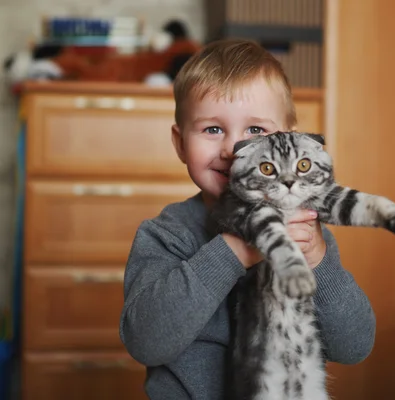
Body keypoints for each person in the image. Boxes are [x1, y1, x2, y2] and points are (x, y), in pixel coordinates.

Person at [119, 38, 376, 399]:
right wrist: (235, 250)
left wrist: (318, 262)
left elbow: (354, 347)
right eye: (213, 129)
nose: (233, 150)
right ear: (180, 144)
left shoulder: (305, 235)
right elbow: (145, 341)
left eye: (256, 131)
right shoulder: (166, 235)